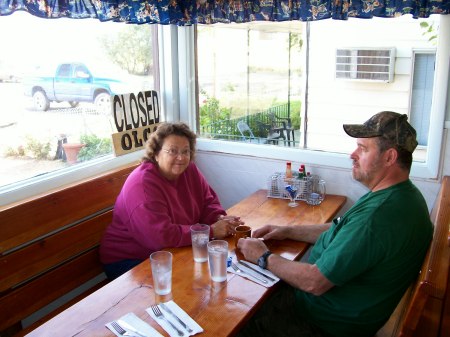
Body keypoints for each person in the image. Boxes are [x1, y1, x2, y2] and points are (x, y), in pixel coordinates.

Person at [237, 111, 433, 337]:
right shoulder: (402, 195)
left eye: (363, 149)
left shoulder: (378, 216)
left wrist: (263, 256)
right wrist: (288, 230)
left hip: (320, 323)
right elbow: (342, 228)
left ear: (389, 158)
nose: (353, 154)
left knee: (238, 315)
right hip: (334, 310)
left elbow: (314, 282)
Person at [100, 122, 242, 280]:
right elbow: (160, 237)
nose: (180, 158)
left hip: (170, 249)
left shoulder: (189, 170)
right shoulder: (143, 185)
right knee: (192, 282)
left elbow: (208, 202)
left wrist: (219, 219)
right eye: (172, 151)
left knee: (219, 271)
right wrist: (211, 231)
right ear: (156, 153)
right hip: (130, 258)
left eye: (185, 151)